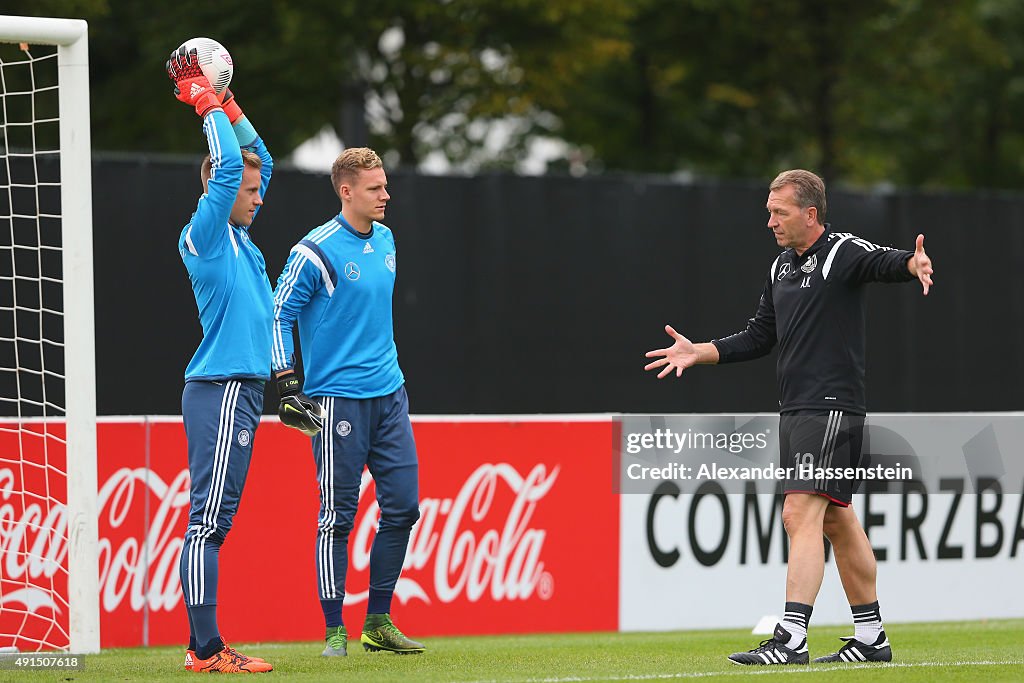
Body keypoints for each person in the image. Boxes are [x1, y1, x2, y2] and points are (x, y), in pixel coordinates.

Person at [644, 169, 934, 666]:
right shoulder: (781, 267)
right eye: (769, 211)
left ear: (810, 213)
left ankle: (791, 638)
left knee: (798, 513)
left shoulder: (840, 251)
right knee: (838, 523)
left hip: (831, 408)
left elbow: (881, 263)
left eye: (779, 211)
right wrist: (701, 352)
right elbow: (760, 335)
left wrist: (912, 262)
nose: (771, 220)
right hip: (798, 408)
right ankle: (872, 639)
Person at [272, 147, 425, 657]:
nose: (387, 194)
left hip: (390, 396)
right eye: (375, 187)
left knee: (404, 507)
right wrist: (288, 383)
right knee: (337, 515)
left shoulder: (386, 239)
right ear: (346, 191)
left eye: (385, 185)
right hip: (337, 403)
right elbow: (278, 315)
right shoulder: (313, 251)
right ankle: (334, 628)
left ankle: (377, 621)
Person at [166, 45, 274, 674]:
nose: (259, 197)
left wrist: (229, 100)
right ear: (216, 188)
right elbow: (232, 166)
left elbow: (259, 161)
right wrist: (203, 99)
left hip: (241, 387)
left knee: (214, 519)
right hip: (222, 386)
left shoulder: (238, 232)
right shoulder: (207, 233)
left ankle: (202, 644)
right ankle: (206, 649)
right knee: (208, 521)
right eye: (249, 191)